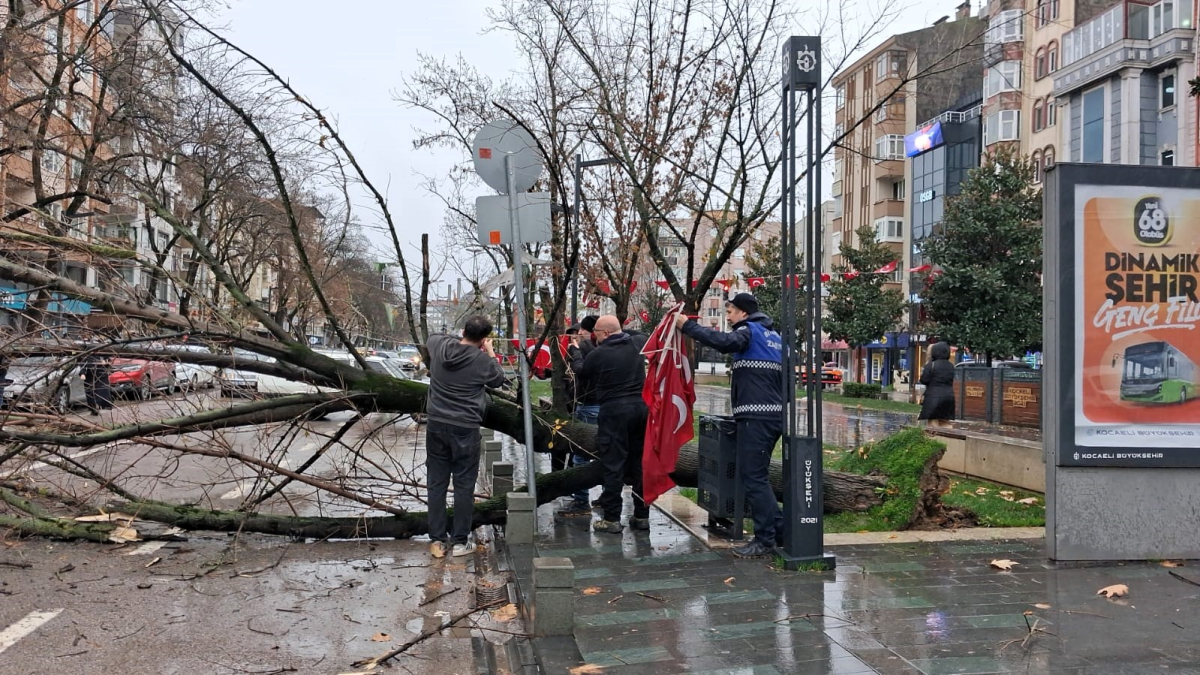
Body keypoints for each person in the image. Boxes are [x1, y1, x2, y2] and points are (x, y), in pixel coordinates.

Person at [675, 292, 784, 559]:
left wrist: (686, 326)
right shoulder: (776, 338)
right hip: (772, 417)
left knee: (754, 478)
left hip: (757, 418)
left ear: (744, 313)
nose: (729, 316)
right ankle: (780, 531)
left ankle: (765, 539)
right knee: (757, 476)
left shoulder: (749, 331)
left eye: (731, 311)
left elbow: (723, 342)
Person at [424, 316, 508, 559]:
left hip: (437, 424)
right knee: (463, 485)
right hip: (466, 427)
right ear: (483, 340)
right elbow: (498, 379)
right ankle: (460, 541)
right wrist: (490, 352)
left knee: (436, 483)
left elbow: (431, 338)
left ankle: (437, 540)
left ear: (463, 331)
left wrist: (457, 339)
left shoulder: (441, 346)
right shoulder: (482, 360)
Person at [570, 315, 649, 534]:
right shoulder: (637, 343)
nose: (593, 335)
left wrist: (575, 350)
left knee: (613, 464)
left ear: (604, 333)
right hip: (641, 409)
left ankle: (612, 519)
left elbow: (582, 371)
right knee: (640, 463)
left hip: (614, 411)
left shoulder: (599, 353)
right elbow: (639, 333)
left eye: (596, 331)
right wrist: (620, 331)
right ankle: (642, 515)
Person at [560, 320, 600, 514]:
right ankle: (607, 498)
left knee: (581, 454)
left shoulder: (583, 348)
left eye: (580, 330)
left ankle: (581, 500)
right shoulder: (606, 348)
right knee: (607, 453)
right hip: (606, 406)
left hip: (587, 405)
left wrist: (574, 353)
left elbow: (579, 371)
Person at [918, 341, 956, 427]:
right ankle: (947, 439)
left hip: (933, 397)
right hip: (949, 397)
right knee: (945, 421)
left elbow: (923, 380)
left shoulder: (931, 365)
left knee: (932, 421)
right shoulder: (951, 366)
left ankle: (934, 439)